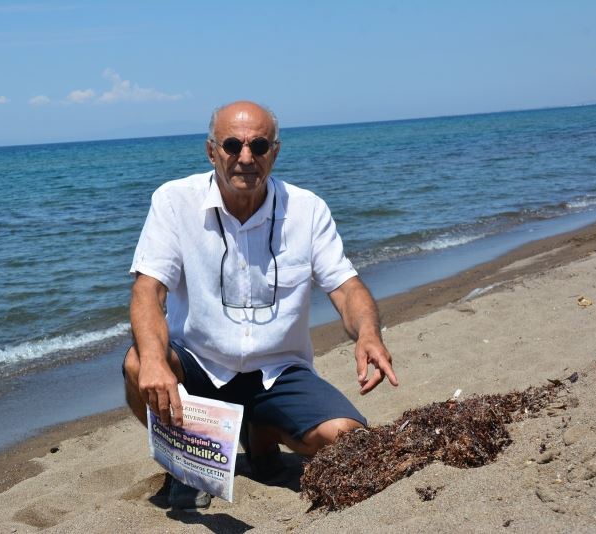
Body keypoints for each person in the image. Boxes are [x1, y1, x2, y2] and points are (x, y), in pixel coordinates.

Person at [123, 101, 398, 509]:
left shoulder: (306, 209)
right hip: (200, 366)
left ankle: (261, 429)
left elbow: (345, 287)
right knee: (137, 362)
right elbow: (149, 291)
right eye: (233, 145)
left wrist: (369, 334)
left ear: (276, 151)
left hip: (278, 371)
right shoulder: (173, 201)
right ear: (211, 150)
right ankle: (186, 463)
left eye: (259, 145)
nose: (246, 157)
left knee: (347, 438)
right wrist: (153, 359)